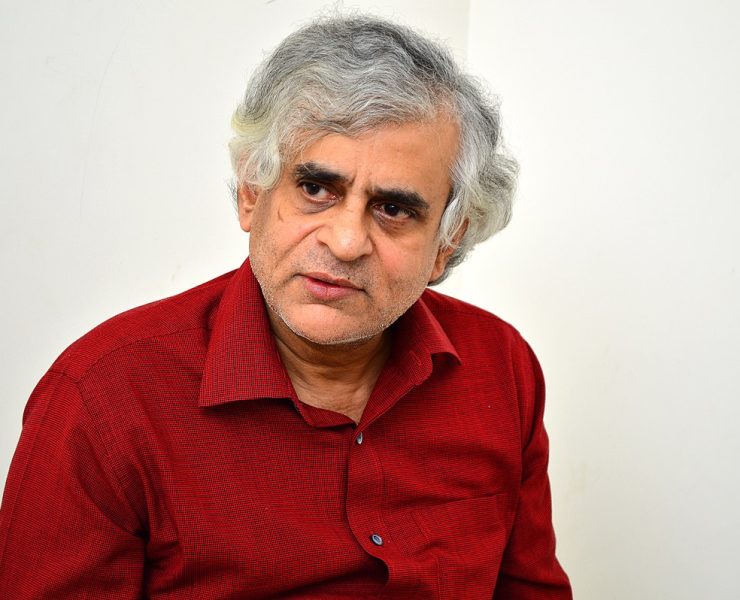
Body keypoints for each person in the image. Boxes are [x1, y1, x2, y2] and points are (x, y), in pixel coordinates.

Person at [0, 14, 571, 599]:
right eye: (316, 189)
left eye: (394, 209)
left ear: (446, 243)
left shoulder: (500, 366)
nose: (345, 242)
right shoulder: (104, 396)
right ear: (252, 193)